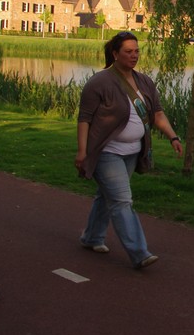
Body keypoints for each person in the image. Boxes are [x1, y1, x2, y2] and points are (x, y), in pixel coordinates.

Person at [75, 31, 183, 269]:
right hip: (107, 152)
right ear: (115, 54)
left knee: (108, 195)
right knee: (122, 200)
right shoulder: (99, 82)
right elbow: (84, 119)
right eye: (128, 52)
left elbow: (157, 114)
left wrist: (173, 136)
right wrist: (82, 152)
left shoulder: (144, 81)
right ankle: (139, 252)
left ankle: (92, 237)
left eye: (137, 51)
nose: (134, 56)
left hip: (133, 152)